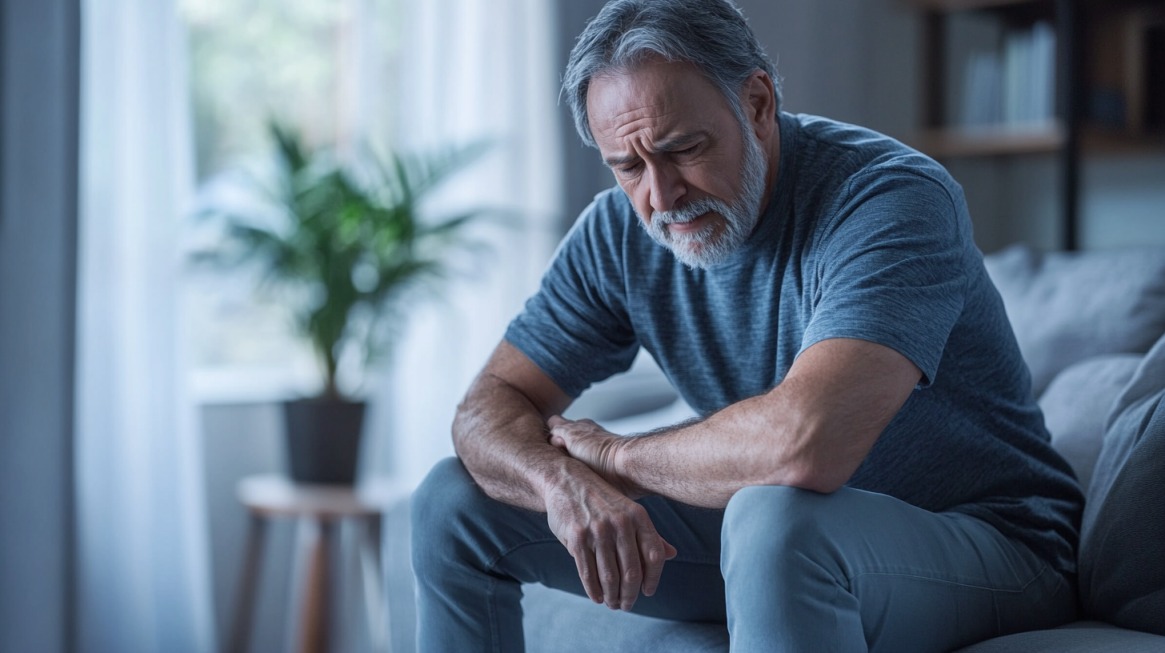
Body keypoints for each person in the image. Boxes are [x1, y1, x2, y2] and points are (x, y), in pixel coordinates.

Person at [411, 0, 1084, 650]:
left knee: (774, 513)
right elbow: (488, 405)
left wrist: (616, 458)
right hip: (787, 542)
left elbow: (803, 447)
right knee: (452, 500)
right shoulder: (618, 234)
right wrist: (560, 485)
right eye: (627, 167)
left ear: (757, 104)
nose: (660, 194)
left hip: (993, 544)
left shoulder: (889, 198)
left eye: (684, 149)